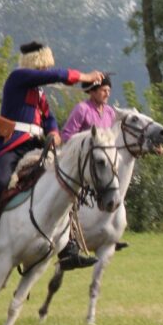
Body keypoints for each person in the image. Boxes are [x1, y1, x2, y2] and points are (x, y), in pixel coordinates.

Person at [0, 41, 104, 267]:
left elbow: (49, 117)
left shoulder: (39, 93)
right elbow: (57, 75)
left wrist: (53, 131)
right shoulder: (19, 77)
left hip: (35, 145)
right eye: (44, 66)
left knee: (62, 182)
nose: (46, 70)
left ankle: (67, 246)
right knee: (1, 179)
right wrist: (85, 76)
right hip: (11, 145)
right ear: (36, 63)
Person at [59, 73, 118, 263]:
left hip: (100, 166)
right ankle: (68, 243)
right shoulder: (82, 109)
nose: (107, 94)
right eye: (103, 90)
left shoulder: (109, 113)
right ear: (92, 91)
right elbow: (67, 135)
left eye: (109, 90)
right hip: (79, 164)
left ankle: (109, 235)